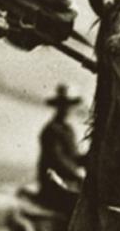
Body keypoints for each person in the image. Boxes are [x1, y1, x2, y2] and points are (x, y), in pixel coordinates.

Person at [34, 84, 86, 214]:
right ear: (57, 107)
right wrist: (77, 175)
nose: (68, 109)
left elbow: (74, 157)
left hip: (68, 182)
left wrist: (92, 157)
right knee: (83, 208)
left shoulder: (68, 130)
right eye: (63, 105)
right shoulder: (51, 129)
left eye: (70, 105)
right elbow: (57, 159)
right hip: (54, 184)